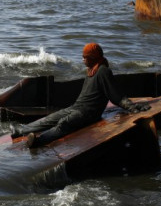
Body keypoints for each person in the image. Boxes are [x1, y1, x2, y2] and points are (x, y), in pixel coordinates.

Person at [10, 43, 149, 148]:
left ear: (93, 58)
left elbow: (116, 96)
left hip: (88, 113)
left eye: (85, 57)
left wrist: (132, 107)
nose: (83, 60)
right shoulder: (91, 71)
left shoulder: (103, 72)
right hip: (77, 107)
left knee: (64, 123)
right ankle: (21, 130)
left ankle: (39, 141)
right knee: (52, 118)